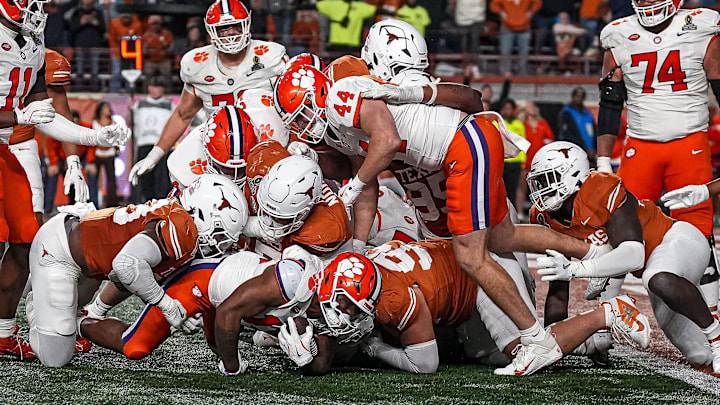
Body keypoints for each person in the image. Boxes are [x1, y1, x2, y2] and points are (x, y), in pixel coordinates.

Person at [273, 62, 612, 376]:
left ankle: (536, 338)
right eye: (296, 123)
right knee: (503, 237)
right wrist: (358, 245)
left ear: (318, 93)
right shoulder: (334, 129)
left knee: (470, 255)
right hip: (463, 148)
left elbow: (388, 142)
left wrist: (353, 186)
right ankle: (592, 253)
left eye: (302, 116)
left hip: (462, 146)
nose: (303, 127)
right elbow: (372, 185)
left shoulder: (341, 96)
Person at [0, 0, 130, 360]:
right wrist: (15, 114)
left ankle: (3, 333)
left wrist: (93, 138)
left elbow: (45, 113)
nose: (38, 10)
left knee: (26, 241)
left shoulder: (35, 43)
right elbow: (25, 113)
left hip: (7, 150)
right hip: (9, 140)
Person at [528, 141, 720, 373]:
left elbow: (633, 255)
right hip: (650, 267)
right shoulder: (544, 217)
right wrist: (554, 341)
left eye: (549, 179)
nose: (541, 189)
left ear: (574, 175)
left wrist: (577, 269)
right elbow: (559, 285)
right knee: (698, 354)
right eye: (538, 182)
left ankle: (716, 337)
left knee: (656, 277)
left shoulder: (601, 189)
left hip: (678, 240)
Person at [28, 174, 247, 367]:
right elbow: (127, 265)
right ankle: (34, 306)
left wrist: (183, 311)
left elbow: (142, 273)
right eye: (219, 234)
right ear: (200, 215)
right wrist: (168, 305)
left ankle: (58, 310)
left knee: (69, 318)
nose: (221, 244)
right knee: (56, 357)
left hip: (90, 265)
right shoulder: (181, 230)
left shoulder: (180, 220)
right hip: (59, 253)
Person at [343, 240, 650, 374]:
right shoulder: (371, 265)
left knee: (528, 354)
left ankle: (609, 313)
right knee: (490, 356)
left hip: (484, 277)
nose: (345, 313)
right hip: (464, 283)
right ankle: (589, 345)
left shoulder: (393, 299)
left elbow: (424, 364)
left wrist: (373, 348)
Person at [595, 1, 720, 319]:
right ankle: (605, 316)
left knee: (698, 228)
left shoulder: (700, 25)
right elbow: (610, 102)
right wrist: (602, 160)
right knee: (619, 227)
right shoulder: (618, 33)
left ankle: (713, 315)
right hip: (640, 146)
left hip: (689, 142)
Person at [128, 0, 287, 187]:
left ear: (247, 25)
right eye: (223, 28)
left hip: (266, 150)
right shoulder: (197, 64)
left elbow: (291, 105)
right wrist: (154, 155)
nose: (230, 33)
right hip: (219, 158)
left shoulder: (271, 57)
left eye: (235, 26)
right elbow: (182, 115)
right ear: (211, 31)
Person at [10, 48, 90, 224]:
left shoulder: (47, 60)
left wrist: (73, 162)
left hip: (21, 143)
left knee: (31, 218)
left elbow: (63, 117)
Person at [130, 76, 173, 201]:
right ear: (149, 88)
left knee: (162, 179)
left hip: (162, 146)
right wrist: (129, 109)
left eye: (159, 87)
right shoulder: (139, 104)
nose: (156, 90)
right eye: (154, 87)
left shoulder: (169, 104)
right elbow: (131, 122)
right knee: (144, 177)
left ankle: (161, 203)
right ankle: (146, 203)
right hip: (144, 144)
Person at [490, 0, 541, 76]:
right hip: (507, 27)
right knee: (505, 51)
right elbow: (493, 4)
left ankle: (522, 75)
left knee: (524, 52)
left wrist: (531, 11)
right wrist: (501, 12)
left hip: (524, 27)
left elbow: (538, 2)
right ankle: (505, 73)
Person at [68, 0, 105, 91]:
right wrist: (82, 23)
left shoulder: (98, 12)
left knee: (95, 72)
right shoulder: (77, 12)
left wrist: (96, 23)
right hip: (80, 46)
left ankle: (95, 91)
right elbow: (72, 28)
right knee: (79, 71)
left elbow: (103, 29)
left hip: (94, 46)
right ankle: (78, 90)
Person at [498, 99, 526, 207]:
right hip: (502, 160)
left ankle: (512, 211)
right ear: (502, 110)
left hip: (515, 161)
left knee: (513, 188)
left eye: (510, 108)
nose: (508, 111)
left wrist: (523, 160)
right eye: (506, 108)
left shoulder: (518, 123)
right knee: (500, 187)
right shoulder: (497, 122)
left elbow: (523, 141)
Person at [107, 12, 144, 93]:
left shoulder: (137, 25)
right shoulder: (114, 23)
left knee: (130, 73)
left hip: (132, 54)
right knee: (116, 72)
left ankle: (129, 92)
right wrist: (116, 52)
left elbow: (139, 40)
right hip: (117, 52)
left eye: (128, 17)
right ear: (121, 17)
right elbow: (111, 38)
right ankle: (114, 92)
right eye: (124, 17)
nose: (126, 19)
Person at [92, 102, 121, 207]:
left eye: (109, 108)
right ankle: (93, 202)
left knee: (111, 180)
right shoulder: (95, 123)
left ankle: (111, 204)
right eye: (105, 108)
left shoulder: (113, 124)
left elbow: (116, 139)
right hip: (97, 154)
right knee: (93, 179)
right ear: (100, 110)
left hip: (110, 154)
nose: (108, 110)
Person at [558, 87, 597, 156]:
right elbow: (567, 134)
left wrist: (594, 147)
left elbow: (593, 131)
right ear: (573, 97)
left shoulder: (587, 113)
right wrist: (582, 147)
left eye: (582, 96)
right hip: (575, 150)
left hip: (590, 150)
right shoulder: (567, 112)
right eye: (577, 96)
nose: (579, 98)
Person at [142, 15, 174, 80]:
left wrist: (165, 49)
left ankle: (169, 90)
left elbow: (171, 49)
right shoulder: (145, 36)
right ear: (150, 25)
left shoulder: (167, 34)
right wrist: (150, 52)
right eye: (153, 24)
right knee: (147, 74)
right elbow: (143, 51)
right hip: (150, 61)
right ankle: (145, 90)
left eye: (157, 24)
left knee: (167, 74)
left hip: (164, 60)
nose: (155, 26)